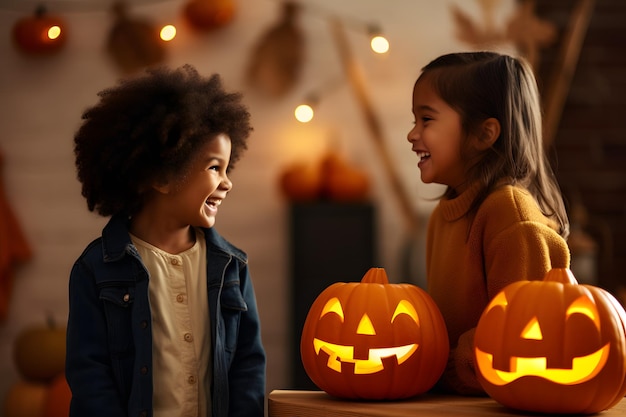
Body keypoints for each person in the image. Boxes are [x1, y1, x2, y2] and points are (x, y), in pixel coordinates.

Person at [66, 65, 266, 417]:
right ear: (161, 175)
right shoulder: (96, 270)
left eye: (226, 167)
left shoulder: (232, 267)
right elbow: (90, 375)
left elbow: (248, 366)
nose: (227, 182)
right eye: (214, 168)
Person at [406, 51, 570, 395]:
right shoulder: (442, 216)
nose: (412, 134)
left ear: (484, 134)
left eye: (427, 120)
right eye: (414, 120)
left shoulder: (509, 214)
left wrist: (442, 365)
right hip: (460, 397)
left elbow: (527, 334)